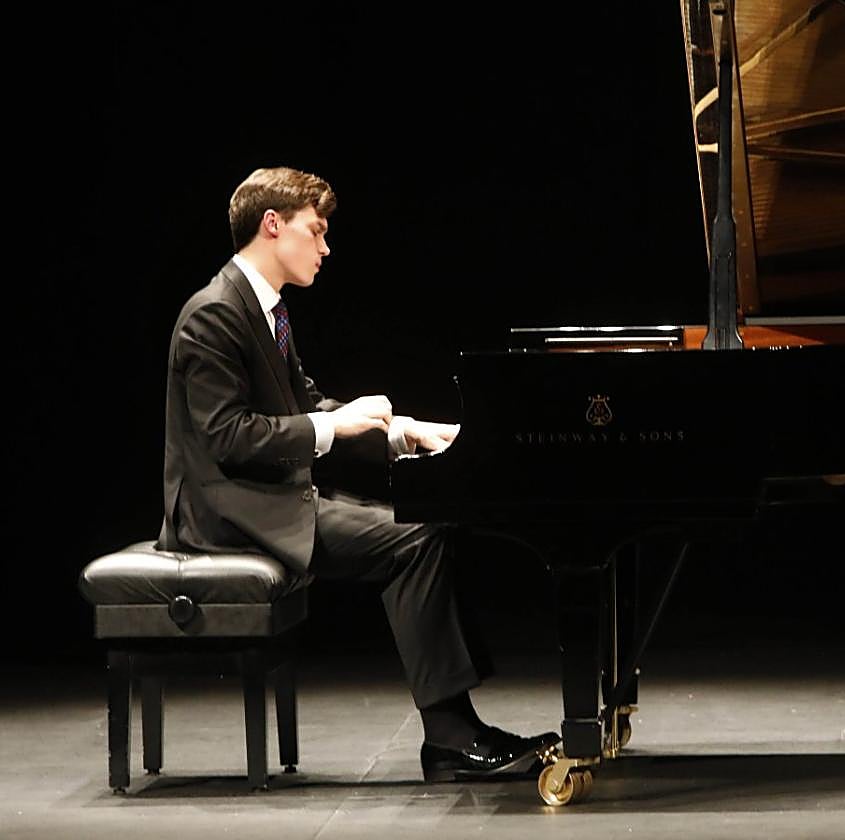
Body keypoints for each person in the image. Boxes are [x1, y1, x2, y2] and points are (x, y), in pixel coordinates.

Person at [156, 166, 557, 781]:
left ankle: (455, 729)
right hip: (224, 513)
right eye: (314, 232)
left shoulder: (264, 309)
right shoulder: (213, 314)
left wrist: (405, 431)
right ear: (273, 225)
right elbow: (227, 435)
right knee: (416, 539)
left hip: (265, 494)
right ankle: (450, 737)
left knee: (429, 524)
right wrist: (337, 427)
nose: (325, 247)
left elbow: (305, 406)